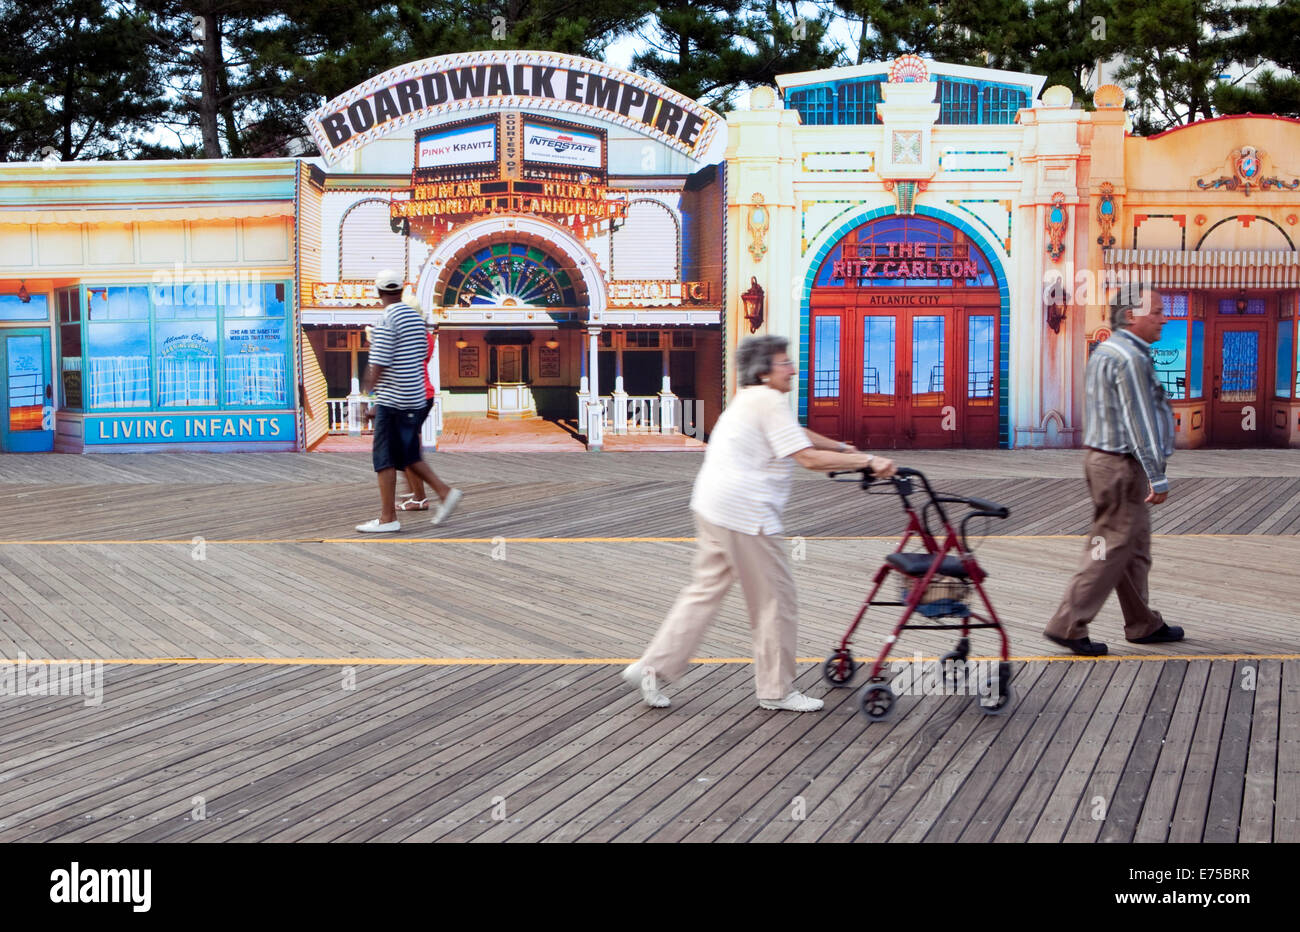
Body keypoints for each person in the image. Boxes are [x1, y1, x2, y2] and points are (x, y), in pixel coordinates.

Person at [622, 335, 897, 711]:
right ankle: (776, 691)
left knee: (704, 592)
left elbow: (795, 435)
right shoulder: (770, 401)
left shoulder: (751, 398)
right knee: (775, 602)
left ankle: (652, 668)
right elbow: (808, 460)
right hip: (746, 516)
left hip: (712, 506)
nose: (793, 369)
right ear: (765, 371)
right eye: (784, 363)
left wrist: (844, 449)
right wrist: (868, 463)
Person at [1044, 289, 1183, 655]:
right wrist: (1157, 474)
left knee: (1133, 548)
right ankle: (1068, 624)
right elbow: (1139, 420)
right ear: (1130, 317)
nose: (1163, 319)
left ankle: (1143, 623)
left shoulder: (1107, 353)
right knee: (1109, 546)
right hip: (1120, 464)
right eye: (1155, 312)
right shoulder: (1129, 359)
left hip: (1105, 461)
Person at [355, 270, 462, 532]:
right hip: (415, 398)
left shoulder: (386, 320)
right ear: (401, 290)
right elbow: (420, 356)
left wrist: (367, 397)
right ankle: (443, 492)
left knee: (385, 459)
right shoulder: (416, 320)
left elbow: (377, 363)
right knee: (407, 454)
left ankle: (388, 518)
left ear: (379, 292)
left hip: (393, 401)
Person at [397, 327, 439, 512]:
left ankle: (422, 497)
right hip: (424, 394)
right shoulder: (426, 335)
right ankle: (412, 491)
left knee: (407, 449)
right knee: (405, 445)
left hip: (409, 396)